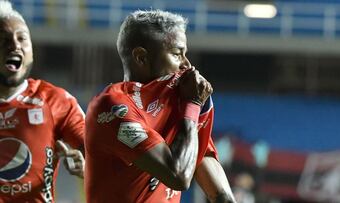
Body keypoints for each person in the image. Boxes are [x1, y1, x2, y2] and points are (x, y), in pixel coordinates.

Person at [85, 9, 236, 203]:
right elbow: (178, 176)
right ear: (141, 57)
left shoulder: (178, 108)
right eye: (176, 54)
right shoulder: (112, 107)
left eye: (185, 54)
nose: (187, 65)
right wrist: (192, 105)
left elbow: (221, 195)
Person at [0, 1, 85, 202]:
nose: (15, 45)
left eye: (22, 38)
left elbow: (95, 150)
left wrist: (87, 166)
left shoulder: (56, 101)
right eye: (3, 40)